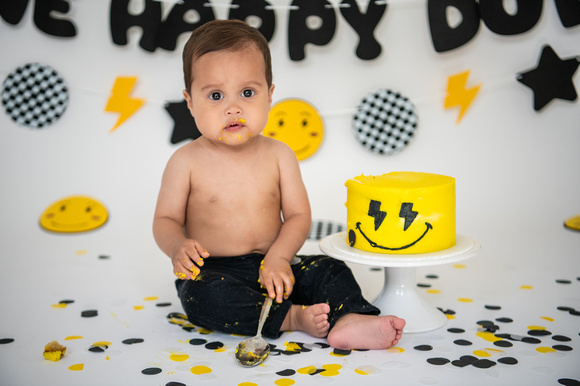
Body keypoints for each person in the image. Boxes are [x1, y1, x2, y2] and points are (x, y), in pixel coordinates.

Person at [152, 19, 405, 350]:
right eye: (215, 95)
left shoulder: (279, 155)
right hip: (218, 271)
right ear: (189, 102)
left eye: (247, 92)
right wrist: (176, 246)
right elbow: (165, 220)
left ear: (269, 95)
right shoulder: (185, 161)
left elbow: (299, 216)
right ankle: (290, 318)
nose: (233, 107)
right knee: (200, 296)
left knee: (329, 268)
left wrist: (280, 257)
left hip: (280, 265)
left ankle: (350, 319)